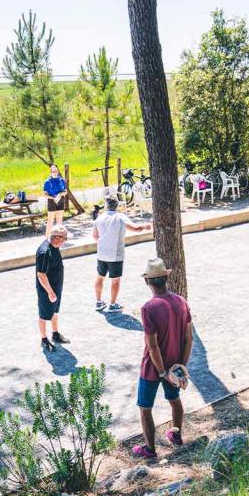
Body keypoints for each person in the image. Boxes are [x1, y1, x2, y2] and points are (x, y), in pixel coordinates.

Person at [133, 258, 193, 461]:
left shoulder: (148, 308)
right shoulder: (182, 302)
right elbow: (188, 338)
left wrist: (161, 372)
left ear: (147, 282)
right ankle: (176, 435)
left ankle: (150, 449)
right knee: (175, 400)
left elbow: (153, 346)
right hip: (174, 364)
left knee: (145, 407)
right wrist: (179, 367)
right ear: (167, 277)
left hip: (152, 368)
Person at [92, 195, 151, 312]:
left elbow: (95, 237)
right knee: (115, 280)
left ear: (106, 205)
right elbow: (136, 228)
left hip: (101, 254)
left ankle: (98, 302)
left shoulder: (99, 218)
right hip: (115, 255)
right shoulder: (120, 217)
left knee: (100, 277)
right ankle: (112, 304)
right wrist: (146, 226)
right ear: (117, 206)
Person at [35, 225, 70, 352]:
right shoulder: (44, 252)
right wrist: (50, 292)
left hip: (56, 287)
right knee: (44, 315)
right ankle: (44, 339)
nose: (65, 241)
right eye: (64, 238)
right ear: (57, 238)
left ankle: (55, 334)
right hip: (47, 290)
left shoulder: (55, 246)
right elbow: (41, 274)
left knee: (55, 311)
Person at [43, 164, 68, 236]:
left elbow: (65, 192)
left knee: (59, 220)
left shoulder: (61, 180)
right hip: (51, 201)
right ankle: (47, 238)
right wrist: (53, 198)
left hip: (61, 200)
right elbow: (45, 194)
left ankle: (60, 236)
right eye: (53, 171)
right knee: (50, 221)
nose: (55, 172)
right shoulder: (47, 182)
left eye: (56, 171)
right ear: (50, 172)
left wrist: (60, 195)